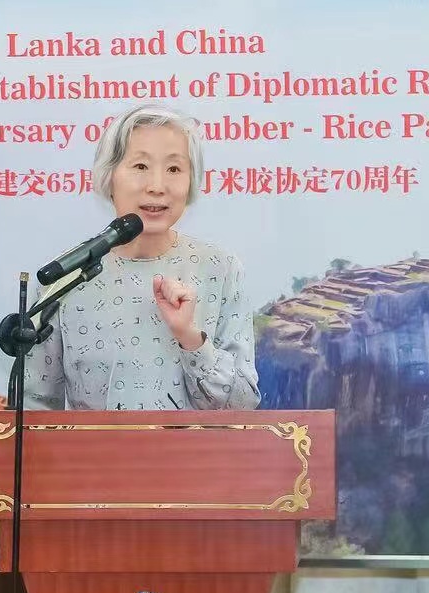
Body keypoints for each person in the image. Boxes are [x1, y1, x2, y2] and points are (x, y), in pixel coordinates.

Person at [24, 103, 261, 411]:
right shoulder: (66, 275)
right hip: (93, 446)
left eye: (174, 169)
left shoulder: (221, 269)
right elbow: (34, 410)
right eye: (140, 166)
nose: (157, 187)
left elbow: (243, 406)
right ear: (109, 176)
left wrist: (191, 338)